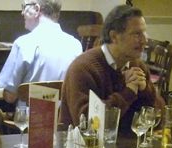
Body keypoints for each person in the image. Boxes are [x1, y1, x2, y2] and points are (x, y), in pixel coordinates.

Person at [60, 5, 163, 135]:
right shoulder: (83, 68)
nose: (144, 40)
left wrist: (145, 90)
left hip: (125, 144)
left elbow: (159, 120)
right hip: (82, 145)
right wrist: (128, 92)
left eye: (144, 32)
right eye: (137, 34)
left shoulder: (137, 66)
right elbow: (86, 125)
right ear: (114, 36)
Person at [0, 0, 82, 105]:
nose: (22, 13)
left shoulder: (23, 43)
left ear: (37, 9)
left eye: (24, 7)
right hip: (63, 115)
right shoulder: (75, 45)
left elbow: (10, 96)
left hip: (29, 115)